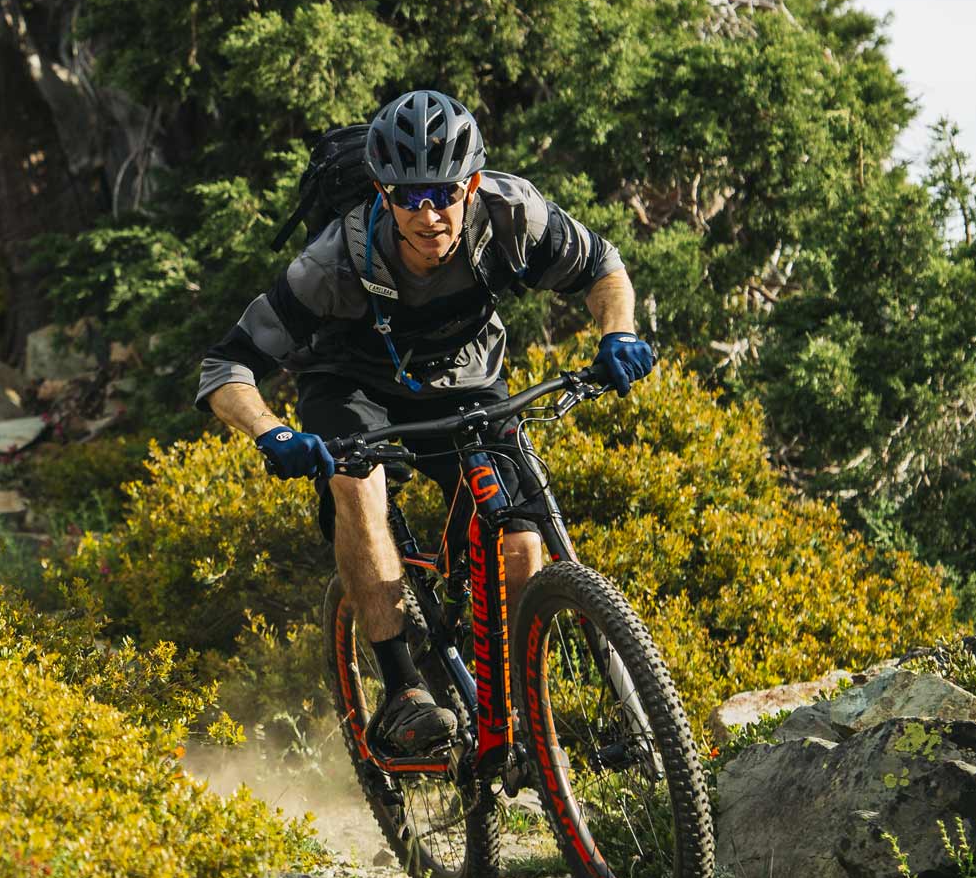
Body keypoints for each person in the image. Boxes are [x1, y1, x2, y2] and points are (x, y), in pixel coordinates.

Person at [196, 89, 655, 753]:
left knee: (522, 548)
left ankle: (523, 724)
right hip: (351, 382)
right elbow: (227, 366)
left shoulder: (510, 213)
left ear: (471, 182)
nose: (429, 213)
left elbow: (601, 269)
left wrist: (619, 333)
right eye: (409, 197)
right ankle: (404, 687)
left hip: (467, 379)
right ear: (384, 194)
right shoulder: (334, 261)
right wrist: (272, 432)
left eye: (444, 192)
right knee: (357, 487)